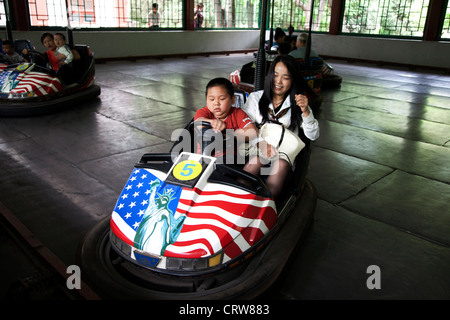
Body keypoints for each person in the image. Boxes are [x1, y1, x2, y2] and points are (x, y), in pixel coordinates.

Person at [242, 55, 319, 198]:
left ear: (293, 79)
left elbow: (313, 135)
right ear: (270, 75)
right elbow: (245, 127)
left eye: (285, 77)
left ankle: (268, 204)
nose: (278, 81)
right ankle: (239, 196)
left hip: (283, 152)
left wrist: (306, 111)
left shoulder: (298, 103)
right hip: (258, 146)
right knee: (257, 160)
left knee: (281, 164)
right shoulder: (256, 98)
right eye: (275, 75)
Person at [194, 77, 258, 158]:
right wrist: (211, 123)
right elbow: (198, 123)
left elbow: (253, 132)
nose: (216, 103)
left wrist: (229, 136)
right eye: (211, 99)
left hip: (228, 159)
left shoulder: (237, 113)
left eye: (222, 99)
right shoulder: (203, 112)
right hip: (202, 157)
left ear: (233, 99)